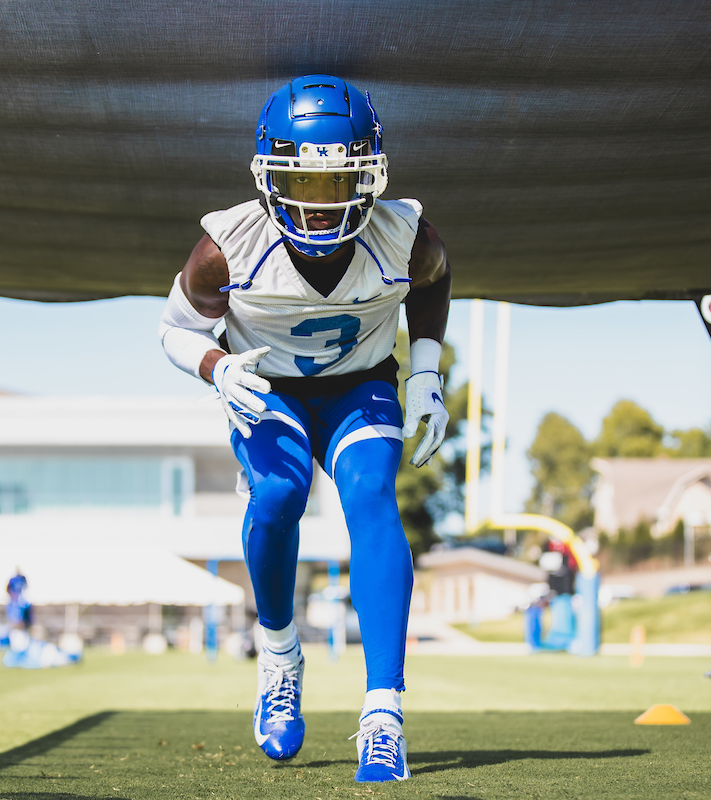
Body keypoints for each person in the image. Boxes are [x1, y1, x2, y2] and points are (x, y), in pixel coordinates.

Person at [159, 75, 451, 783]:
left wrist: (426, 374)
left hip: (360, 385)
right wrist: (215, 367)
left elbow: (434, 283)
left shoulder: (407, 238)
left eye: (338, 184)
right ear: (269, 176)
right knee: (279, 496)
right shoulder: (224, 249)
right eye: (303, 185)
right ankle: (280, 653)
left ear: (369, 174)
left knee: (373, 496)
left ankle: (384, 714)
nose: (320, 209)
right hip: (268, 385)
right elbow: (173, 329)